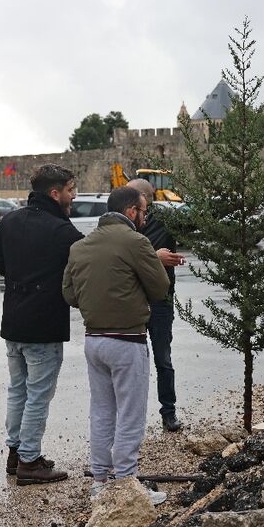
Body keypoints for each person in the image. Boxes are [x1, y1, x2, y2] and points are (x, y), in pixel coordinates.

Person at [62, 187, 170, 504]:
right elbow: (160, 288)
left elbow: (69, 295)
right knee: (131, 415)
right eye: (144, 211)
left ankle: (99, 482)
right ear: (131, 211)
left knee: (102, 412)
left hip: (94, 340)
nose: (146, 217)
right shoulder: (137, 242)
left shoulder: (80, 246)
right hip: (127, 340)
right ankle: (126, 483)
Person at [0, 163, 83, 486]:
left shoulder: (9, 221)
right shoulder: (62, 231)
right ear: (55, 193)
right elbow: (82, 265)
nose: (74, 196)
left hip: (13, 321)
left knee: (18, 390)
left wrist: (22, 276)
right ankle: (30, 460)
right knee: (38, 393)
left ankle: (16, 454)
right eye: (70, 190)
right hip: (43, 326)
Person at [126, 179, 186, 432]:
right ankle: (131, 417)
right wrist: (155, 257)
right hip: (131, 299)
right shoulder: (122, 223)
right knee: (132, 361)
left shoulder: (166, 219)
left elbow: (196, 223)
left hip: (160, 300)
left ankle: (168, 412)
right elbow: (123, 256)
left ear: (144, 197)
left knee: (163, 358)